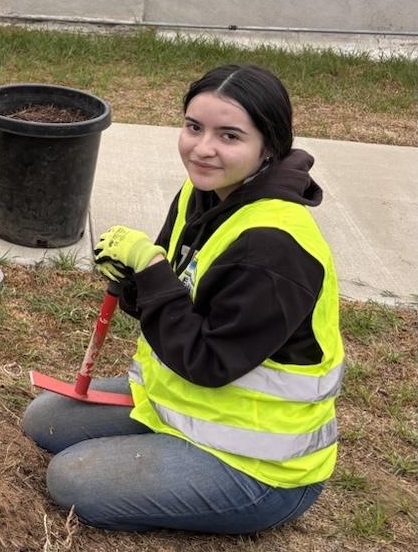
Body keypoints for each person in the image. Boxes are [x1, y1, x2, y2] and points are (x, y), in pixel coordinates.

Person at [21, 64, 344, 534]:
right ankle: (165, 446)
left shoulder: (274, 248)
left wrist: (151, 272)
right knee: (45, 420)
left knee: (72, 479)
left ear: (269, 146)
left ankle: (226, 490)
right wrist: (134, 279)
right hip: (186, 409)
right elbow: (177, 295)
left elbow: (207, 360)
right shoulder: (203, 192)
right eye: (194, 127)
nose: (203, 149)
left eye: (229, 136)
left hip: (259, 467)